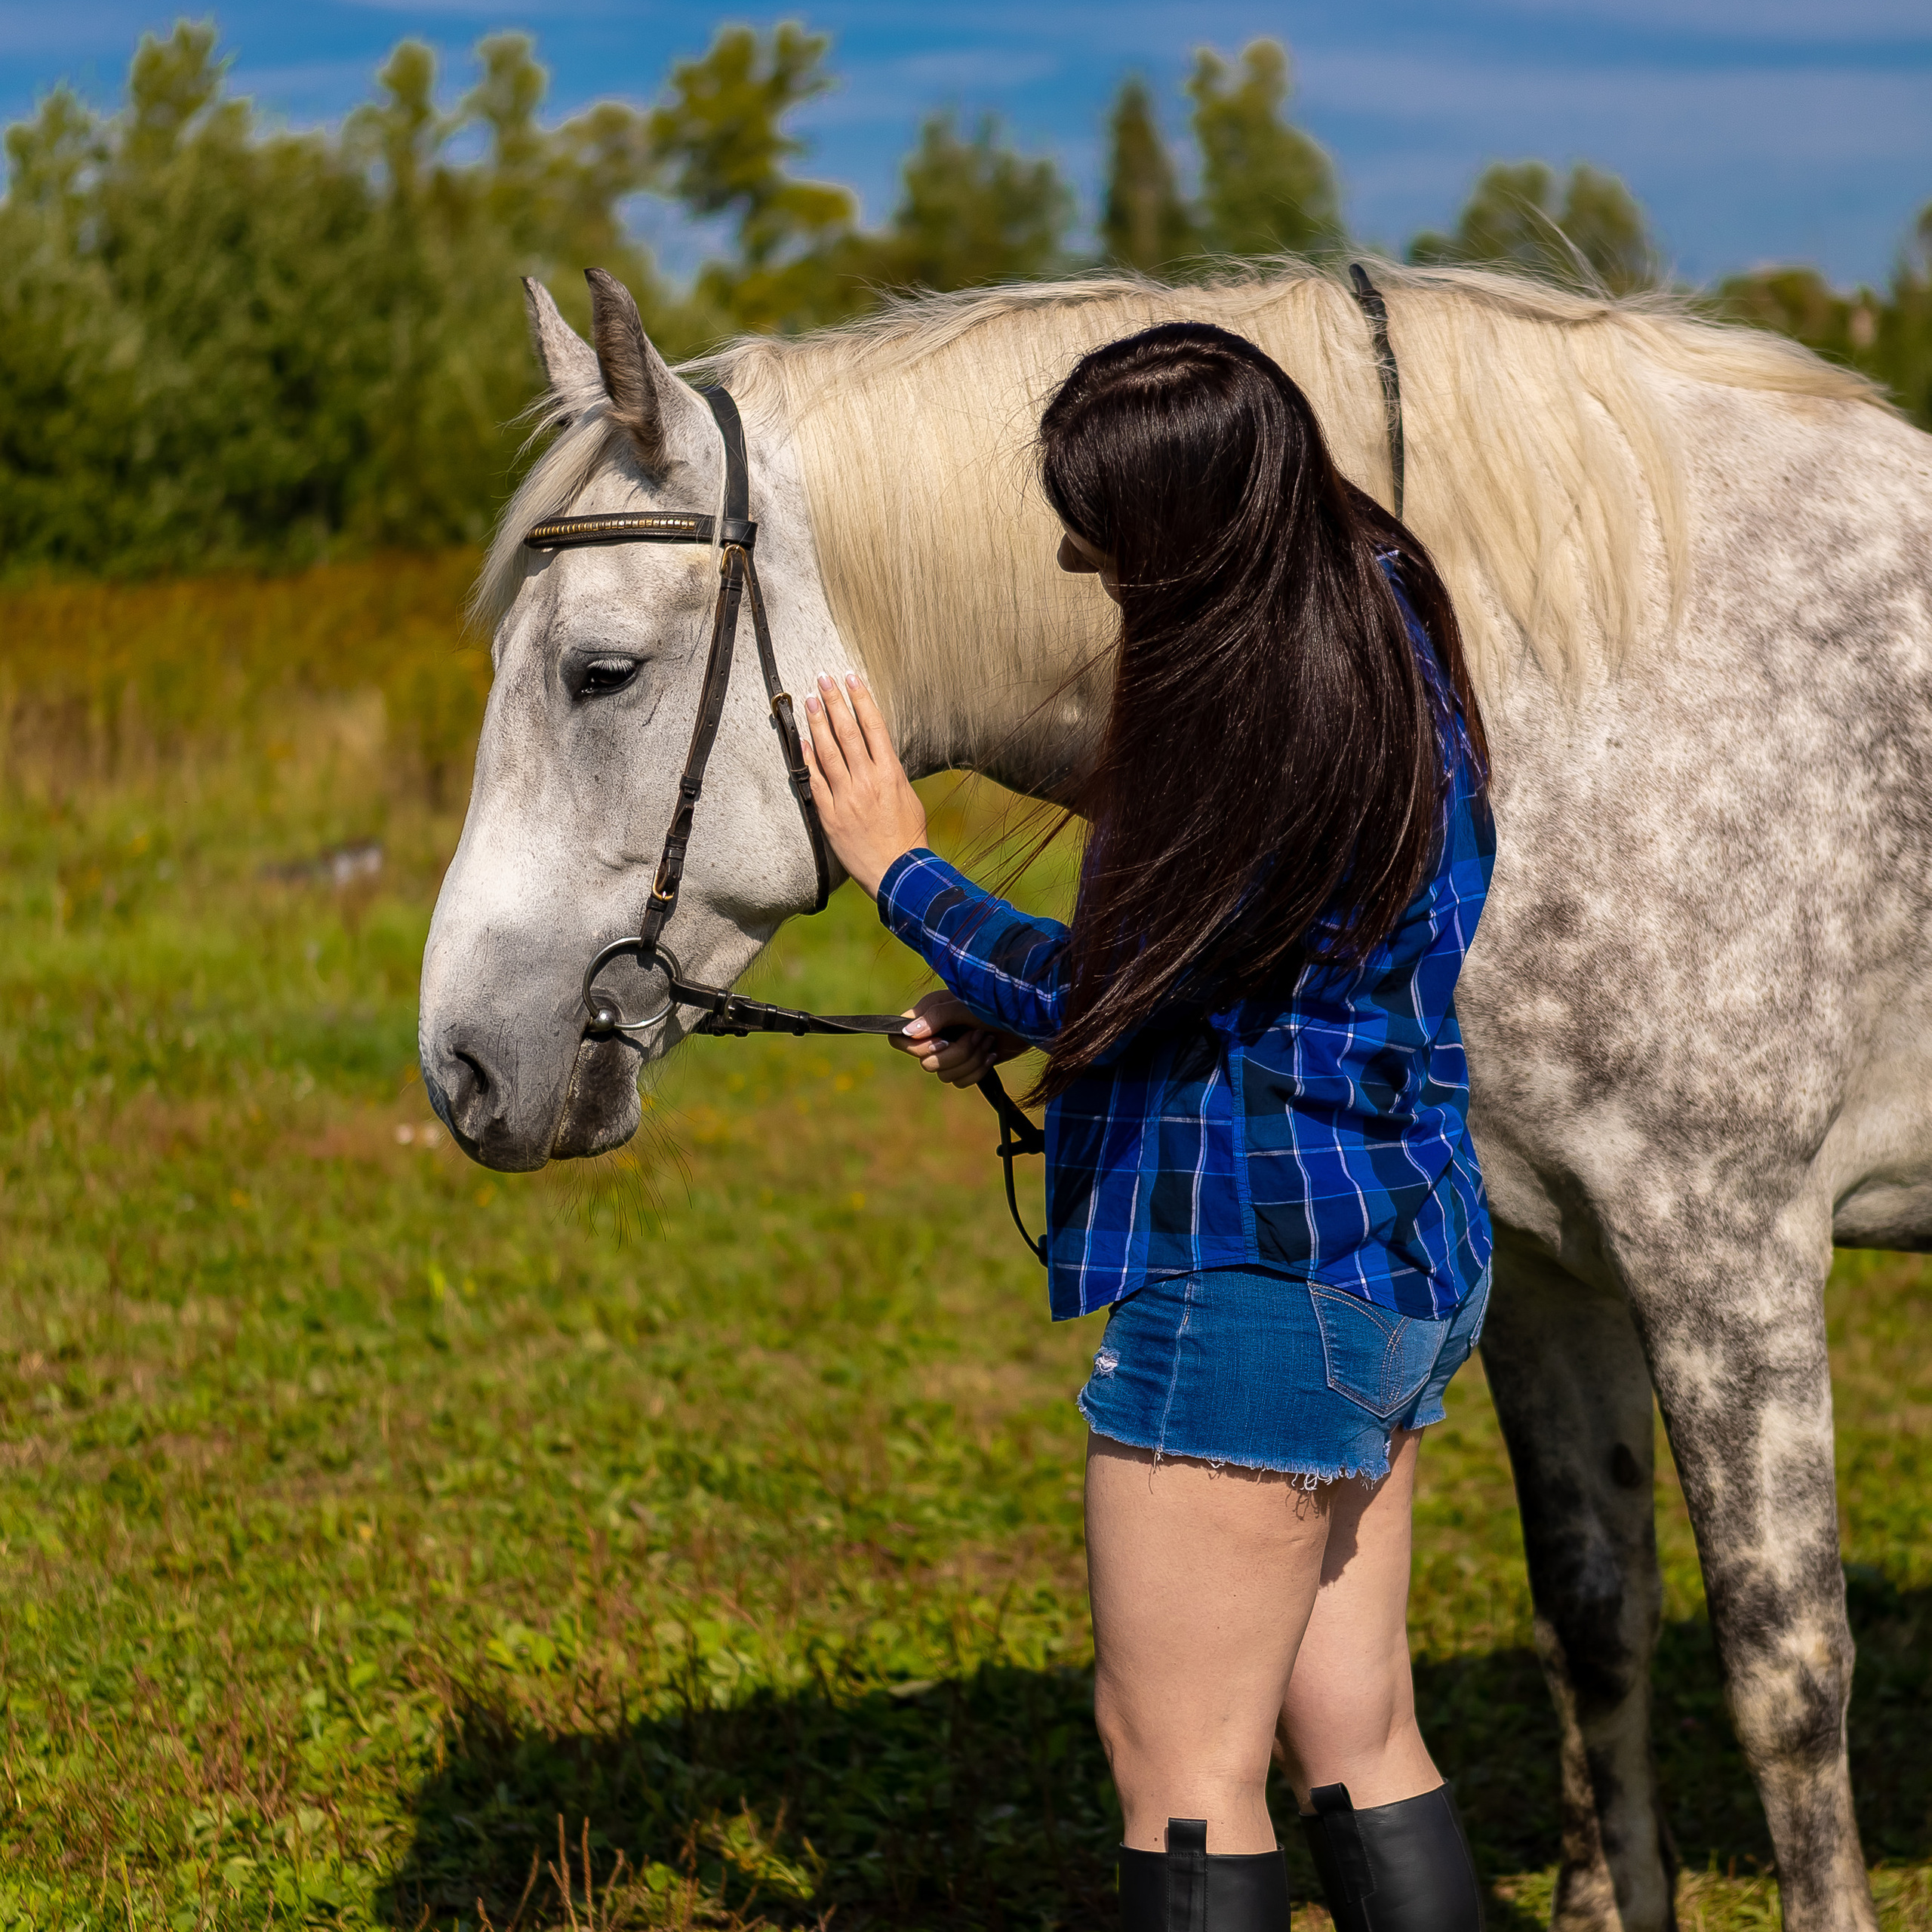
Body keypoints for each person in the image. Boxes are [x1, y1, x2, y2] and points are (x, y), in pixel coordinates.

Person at [798, 321, 1495, 1932]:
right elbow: (1225, 962)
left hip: (1254, 1278)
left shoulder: (1253, 706)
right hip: (1391, 1242)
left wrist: (898, 867)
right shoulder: (1379, 618)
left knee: (1178, 1768)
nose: (1079, 564)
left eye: (1101, 542)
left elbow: (1137, 964)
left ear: (1189, 538)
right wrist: (1036, 1002)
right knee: (1356, 1729)